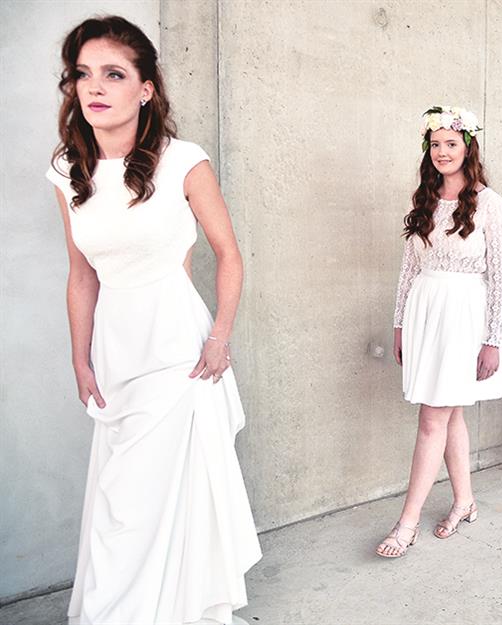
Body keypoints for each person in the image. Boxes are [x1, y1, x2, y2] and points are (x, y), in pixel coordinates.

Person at [45, 16, 260, 625]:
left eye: (114, 73)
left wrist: (220, 337)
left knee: (154, 492)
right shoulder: (66, 171)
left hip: (176, 345)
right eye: (83, 74)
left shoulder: (182, 160)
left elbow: (230, 256)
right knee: (120, 498)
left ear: (145, 88)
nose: (95, 87)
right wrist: (79, 358)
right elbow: (82, 274)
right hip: (116, 348)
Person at [377, 106, 502, 557]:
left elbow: (501, 276)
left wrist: (493, 339)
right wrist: (399, 323)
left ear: (467, 147)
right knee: (450, 416)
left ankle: (406, 522)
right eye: (435, 144)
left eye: (451, 143)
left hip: (465, 318)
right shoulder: (424, 200)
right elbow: (408, 268)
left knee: (432, 418)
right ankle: (465, 501)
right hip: (424, 313)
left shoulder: (490, 203)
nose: (442, 152)